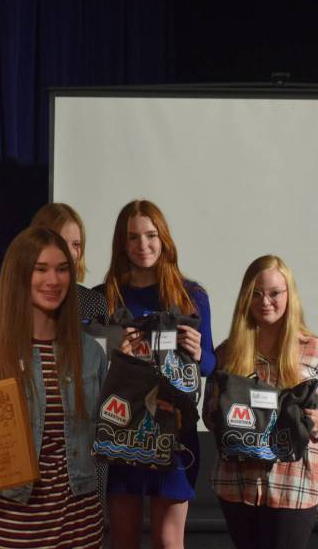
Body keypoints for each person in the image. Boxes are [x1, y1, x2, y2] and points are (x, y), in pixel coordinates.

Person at [0, 226, 107, 548]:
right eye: (41, 269)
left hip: (81, 529)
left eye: (62, 269)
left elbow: (105, 436)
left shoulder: (91, 352)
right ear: (19, 274)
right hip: (9, 530)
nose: (54, 280)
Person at [97, 199, 216, 548]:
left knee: (168, 541)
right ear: (122, 243)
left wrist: (196, 353)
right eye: (133, 237)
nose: (143, 245)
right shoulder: (108, 296)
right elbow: (91, 366)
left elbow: (210, 365)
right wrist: (116, 354)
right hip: (122, 430)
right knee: (123, 539)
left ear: (164, 238)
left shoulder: (191, 295)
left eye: (151, 235)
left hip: (175, 432)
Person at [205, 255, 318, 549]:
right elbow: (209, 416)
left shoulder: (313, 351)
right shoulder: (227, 353)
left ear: (289, 295)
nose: (264, 301)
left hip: (294, 485)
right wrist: (223, 411)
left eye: (274, 293)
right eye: (255, 293)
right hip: (236, 484)